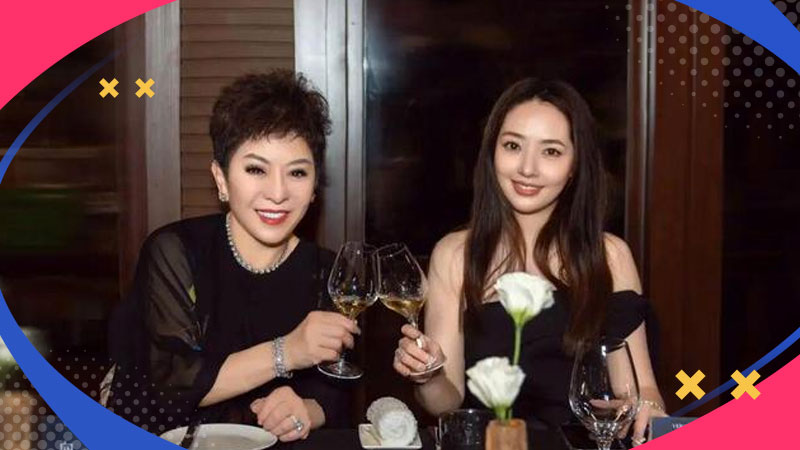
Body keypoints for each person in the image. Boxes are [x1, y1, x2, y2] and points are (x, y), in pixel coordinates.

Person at [391, 79, 666, 446]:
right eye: (513, 146)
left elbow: (638, 388)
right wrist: (428, 375)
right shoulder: (455, 254)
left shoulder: (608, 255)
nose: (527, 168)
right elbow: (445, 403)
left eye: (551, 151)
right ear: (492, 152)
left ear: (575, 165)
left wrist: (649, 406)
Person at [104, 71, 358, 442]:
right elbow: (173, 384)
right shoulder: (176, 251)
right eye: (256, 169)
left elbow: (337, 395)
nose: (277, 193)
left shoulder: (329, 271)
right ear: (221, 179)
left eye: (297, 172)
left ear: (314, 185)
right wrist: (286, 352)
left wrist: (305, 410)